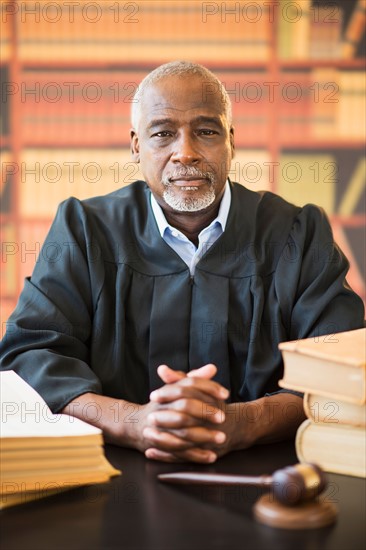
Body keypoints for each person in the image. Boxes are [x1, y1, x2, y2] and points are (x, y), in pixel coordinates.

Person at [1, 61, 364, 464]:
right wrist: (132, 421)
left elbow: (341, 369)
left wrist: (245, 422)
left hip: (266, 474)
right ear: (137, 146)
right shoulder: (85, 230)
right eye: (163, 134)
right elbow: (30, 355)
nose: (186, 153)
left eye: (206, 132)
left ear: (231, 140)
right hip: (112, 474)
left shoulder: (298, 233)